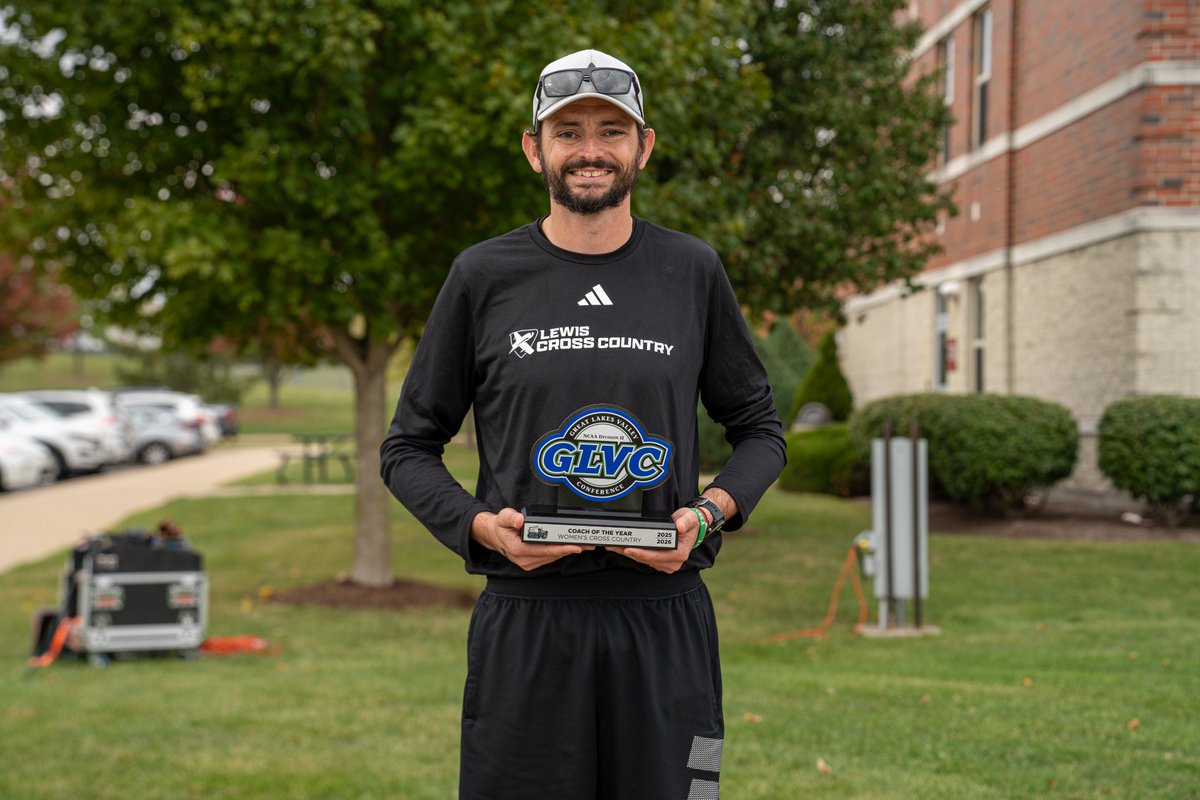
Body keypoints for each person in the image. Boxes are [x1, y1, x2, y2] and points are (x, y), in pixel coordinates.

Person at [380, 48, 786, 800]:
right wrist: (479, 526)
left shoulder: (691, 270)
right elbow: (407, 447)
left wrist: (707, 514)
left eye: (611, 130)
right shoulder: (483, 276)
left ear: (644, 146)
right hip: (528, 621)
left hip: (663, 620)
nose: (590, 150)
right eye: (568, 131)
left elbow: (761, 428)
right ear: (535, 148)